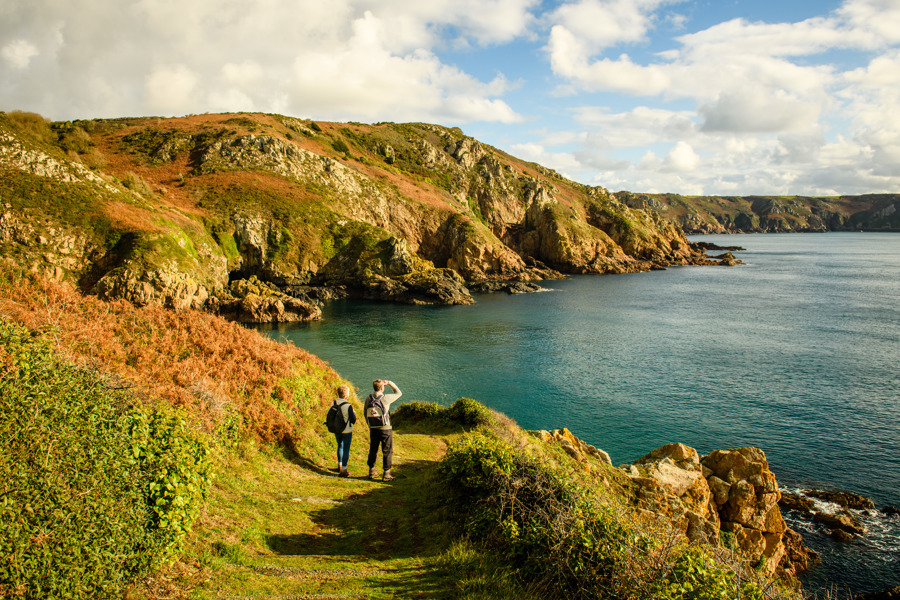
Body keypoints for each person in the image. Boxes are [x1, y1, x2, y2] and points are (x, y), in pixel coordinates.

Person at [364, 379, 401, 481]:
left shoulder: (368, 398)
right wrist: (390, 383)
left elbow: (365, 412)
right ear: (382, 388)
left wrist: (370, 425)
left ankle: (371, 471)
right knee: (387, 450)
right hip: (385, 427)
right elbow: (398, 393)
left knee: (373, 449)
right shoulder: (385, 398)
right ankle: (386, 473)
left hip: (373, 428)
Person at [331, 385, 356, 478]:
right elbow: (353, 420)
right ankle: (344, 469)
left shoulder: (333, 403)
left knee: (340, 446)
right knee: (346, 448)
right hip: (347, 430)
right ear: (345, 395)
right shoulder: (348, 405)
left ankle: (339, 464)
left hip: (337, 429)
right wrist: (353, 414)